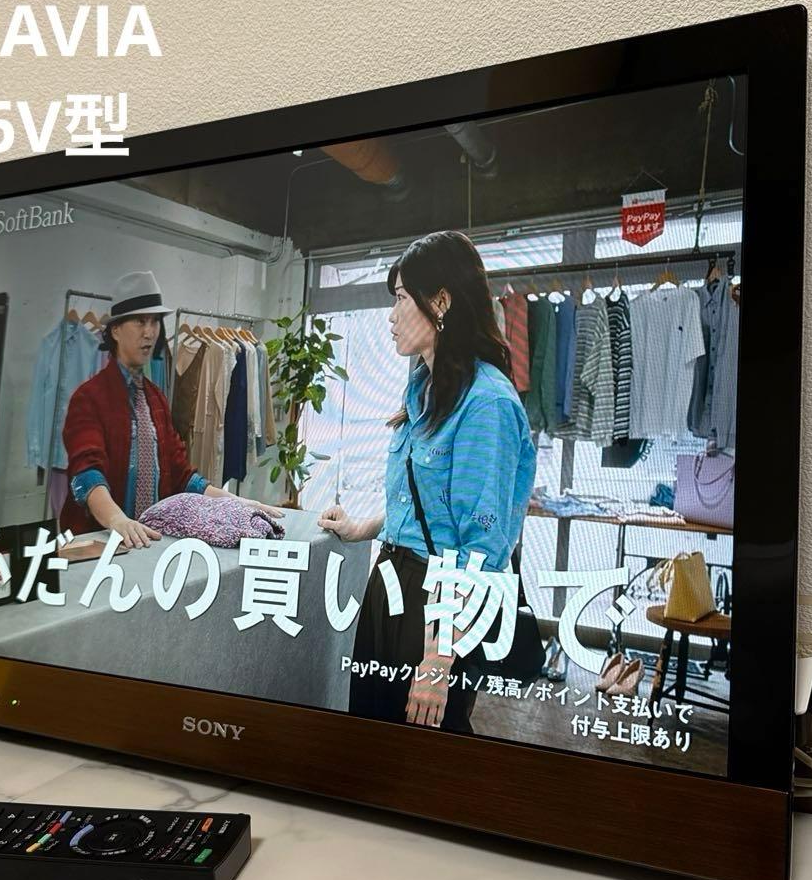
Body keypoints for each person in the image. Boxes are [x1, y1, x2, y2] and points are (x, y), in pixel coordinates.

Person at [318, 231, 536, 733]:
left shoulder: (487, 404)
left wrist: (439, 658)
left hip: (441, 605)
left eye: (400, 298)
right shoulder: (423, 386)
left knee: (420, 754)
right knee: (372, 740)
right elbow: (426, 508)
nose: (391, 315)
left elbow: (481, 549)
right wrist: (362, 528)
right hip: (391, 583)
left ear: (440, 302)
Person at [60, 270, 281, 546]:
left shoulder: (155, 399)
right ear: (115, 330)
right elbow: (86, 472)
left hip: (148, 542)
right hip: (98, 541)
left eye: (154, 322)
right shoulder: (89, 397)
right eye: (140, 322)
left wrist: (236, 502)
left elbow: (183, 476)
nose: (149, 332)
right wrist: (118, 520)